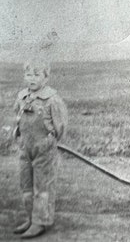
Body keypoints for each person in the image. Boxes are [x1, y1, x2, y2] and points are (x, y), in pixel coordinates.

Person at [12, 57, 68, 238]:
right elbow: (18, 118)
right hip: (25, 148)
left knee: (42, 188)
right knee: (26, 186)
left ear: (46, 77)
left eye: (37, 75)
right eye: (28, 74)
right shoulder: (22, 97)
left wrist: (49, 143)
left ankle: (40, 222)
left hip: (44, 149)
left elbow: (61, 127)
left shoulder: (52, 100)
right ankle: (31, 218)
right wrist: (18, 135)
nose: (32, 78)